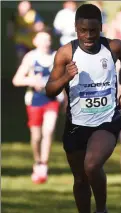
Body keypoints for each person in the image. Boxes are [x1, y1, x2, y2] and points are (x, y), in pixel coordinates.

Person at [45, 4, 121, 213]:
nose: (88, 36)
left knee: (92, 165)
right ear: (75, 28)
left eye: (93, 30)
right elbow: (49, 90)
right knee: (80, 180)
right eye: (83, 30)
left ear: (101, 28)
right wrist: (66, 76)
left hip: (106, 120)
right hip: (76, 124)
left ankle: (101, 212)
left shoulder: (113, 47)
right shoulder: (66, 53)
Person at [12, 31, 64, 184]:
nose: (46, 43)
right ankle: (37, 161)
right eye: (42, 40)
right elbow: (17, 80)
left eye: (48, 39)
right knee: (36, 136)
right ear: (35, 42)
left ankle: (44, 165)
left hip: (52, 100)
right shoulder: (31, 57)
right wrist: (32, 81)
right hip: (35, 100)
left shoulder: (57, 56)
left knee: (48, 131)